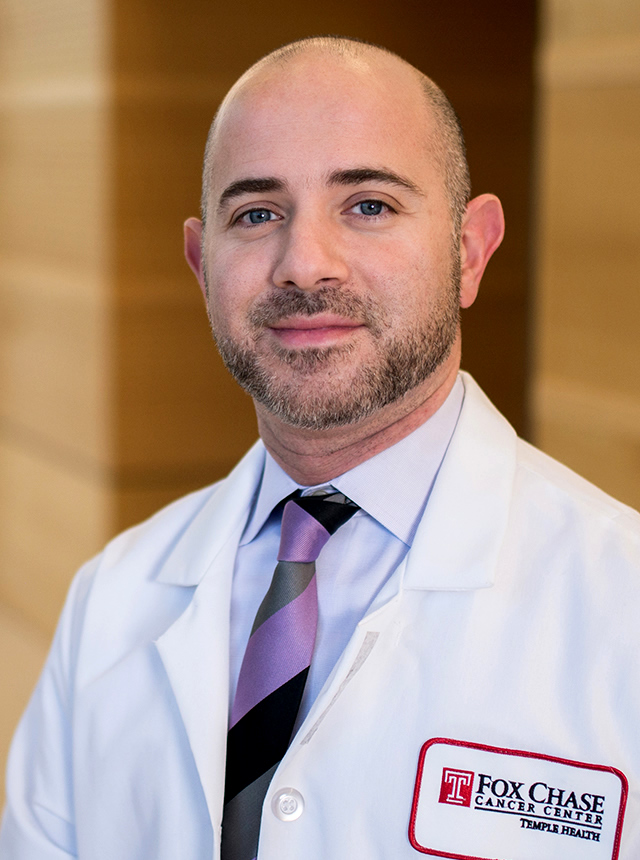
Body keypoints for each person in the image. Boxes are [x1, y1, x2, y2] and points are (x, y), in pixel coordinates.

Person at [1, 35, 639, 860]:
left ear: (470, 250)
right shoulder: (112, 600)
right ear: (202, 266)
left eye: (369, 204)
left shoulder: (623, 605)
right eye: (257, 213)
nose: (304, 263)